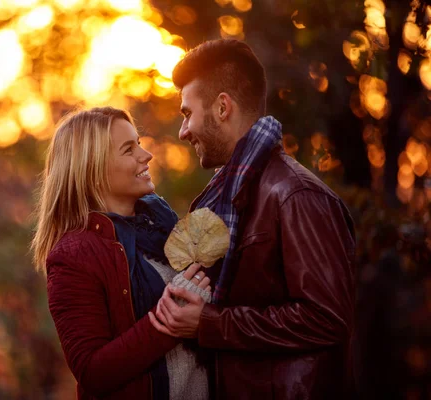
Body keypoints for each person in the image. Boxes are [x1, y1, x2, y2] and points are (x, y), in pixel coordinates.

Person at [148, 39, 357, 399]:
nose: (183, 131)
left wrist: (209, 324)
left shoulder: (296, 195)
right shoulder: (229, 197)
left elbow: (327, 319)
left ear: (222, 107)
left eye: (186, 113)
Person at [31, 106, 213, 400]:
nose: (146, 155)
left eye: (138, 143)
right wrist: (168, 322)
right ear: (92, 168)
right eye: (129, 150)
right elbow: (92, 372)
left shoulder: (161, 224)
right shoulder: (74, 256)